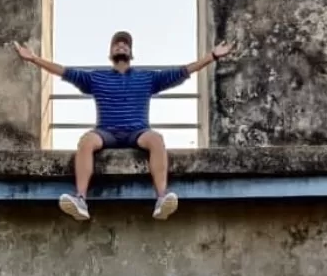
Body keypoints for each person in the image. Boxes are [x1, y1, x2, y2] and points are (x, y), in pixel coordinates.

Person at [13, 31, 234, 221]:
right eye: (117, 43)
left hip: (137, 132)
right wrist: (33, 59)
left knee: (156, 139)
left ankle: (161, 198)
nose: (122, 46)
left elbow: (182, 71)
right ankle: (80, 199)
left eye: (126, 44)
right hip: (106, 132)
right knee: (86, 141)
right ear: (111, 52)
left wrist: (212, 56)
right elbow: (64, 72)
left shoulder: (147, 78)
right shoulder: (96, 78)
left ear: (130, 52)